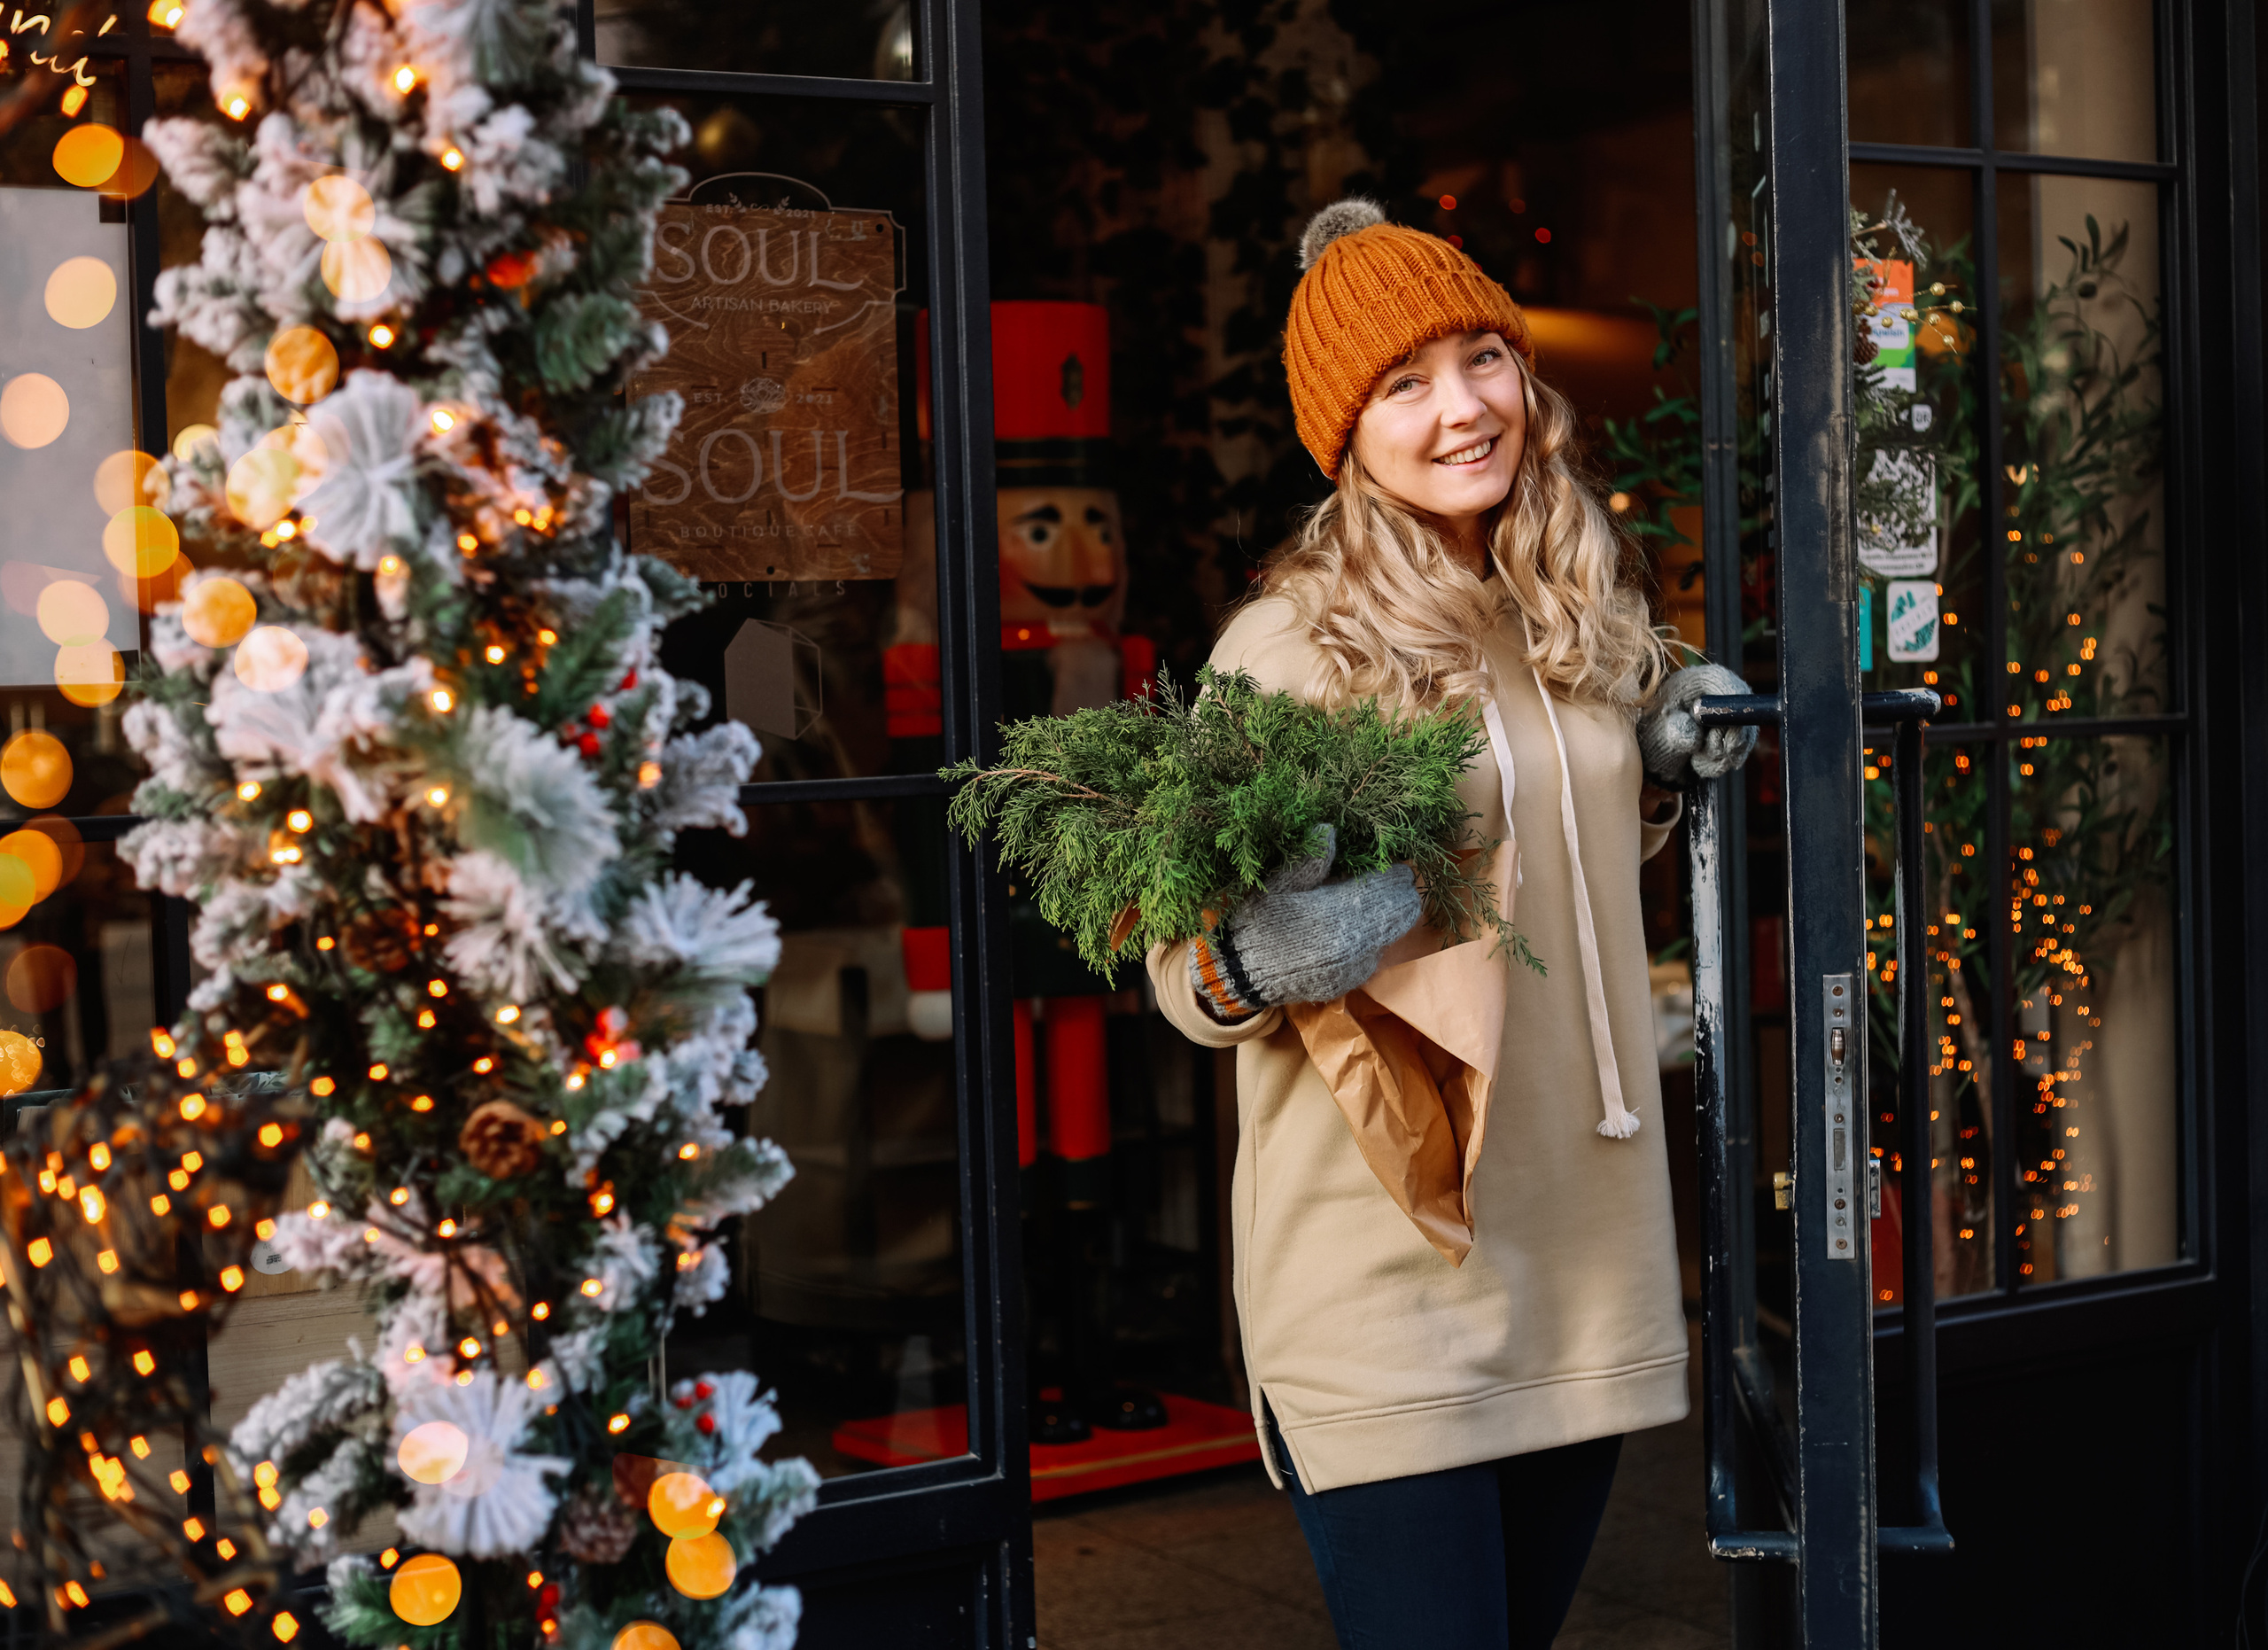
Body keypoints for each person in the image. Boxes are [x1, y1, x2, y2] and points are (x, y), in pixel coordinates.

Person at [1146, 198, 1757, 1650]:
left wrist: (1658, 760)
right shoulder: (1287, 646)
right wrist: (1255, 958)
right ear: (1343, 433)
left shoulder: (1571, 609)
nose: (1462, 408)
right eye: (1404, 385)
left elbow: (1573, 834)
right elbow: (1180, 971)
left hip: (1583, 1247)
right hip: (1381, 1274)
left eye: (1480, 358)